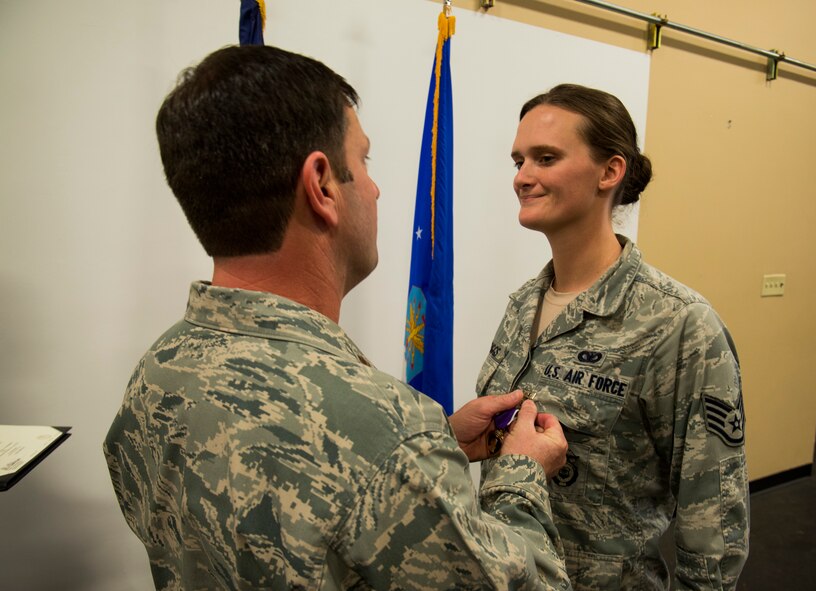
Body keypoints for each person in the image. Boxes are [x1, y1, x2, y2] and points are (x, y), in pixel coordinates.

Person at [103, 45, 573, 591]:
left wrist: (434, 448)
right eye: (364, 161)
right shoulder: (387, 431)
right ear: (322, 185)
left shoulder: (158, 373)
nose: (374, 188)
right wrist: (518, 474)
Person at [476, 84, 749, 590]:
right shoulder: (522, 305)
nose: (522, 177)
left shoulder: (678, 324)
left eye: (545, 158)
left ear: (610, 171)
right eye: (519, 160)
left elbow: (713, 524)